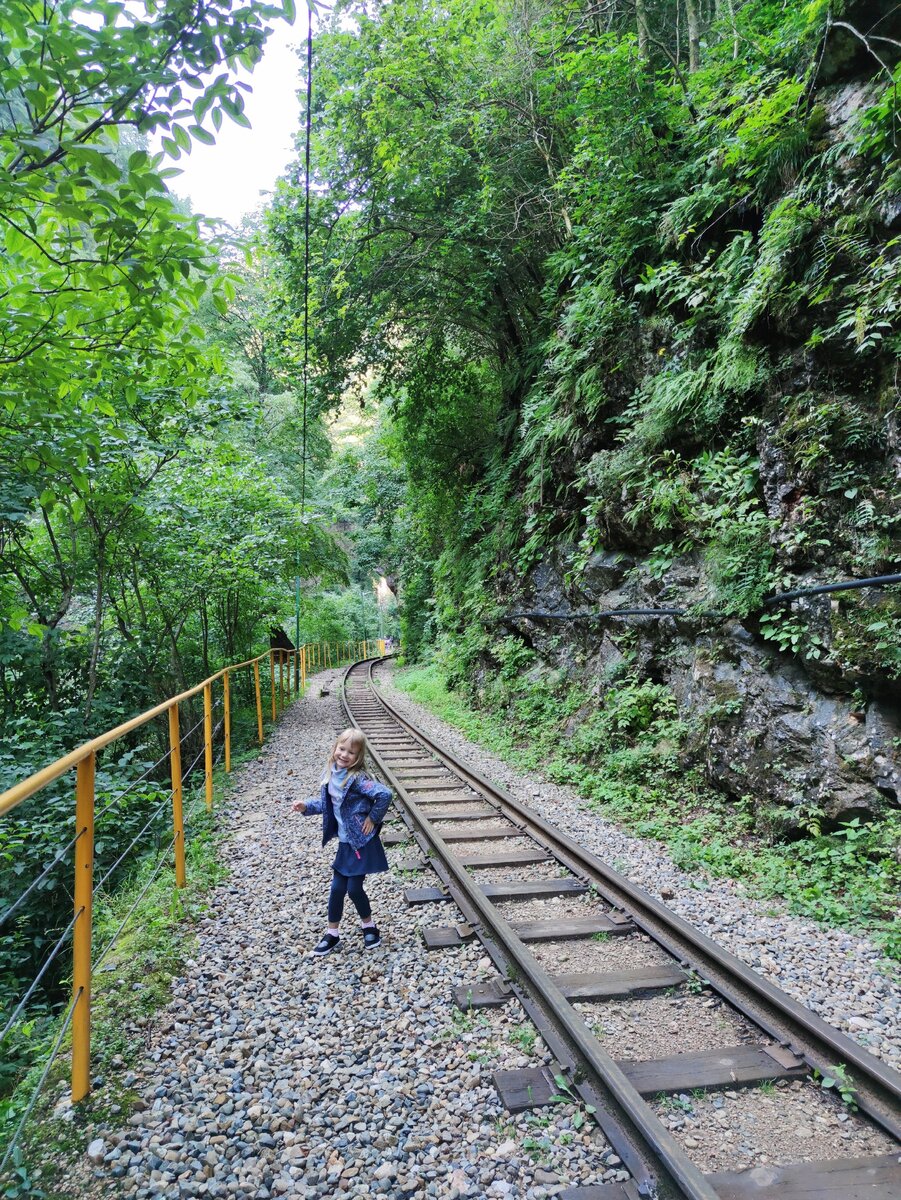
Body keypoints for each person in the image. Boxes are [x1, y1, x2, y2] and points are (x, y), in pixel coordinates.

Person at [292, 728, 393, 955]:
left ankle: (370, 927)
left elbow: (385, 794)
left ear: (358, 758)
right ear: (335, 748)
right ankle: (332, 934)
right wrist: (306, 806)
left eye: (352, 753)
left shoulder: (356, 779)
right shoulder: (330, 775)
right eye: (342, 749)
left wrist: (372, 818)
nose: (345, 755)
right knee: (337, 889)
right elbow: (326, 805)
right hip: (345, 844)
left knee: (354, 889)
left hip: (361, 843)